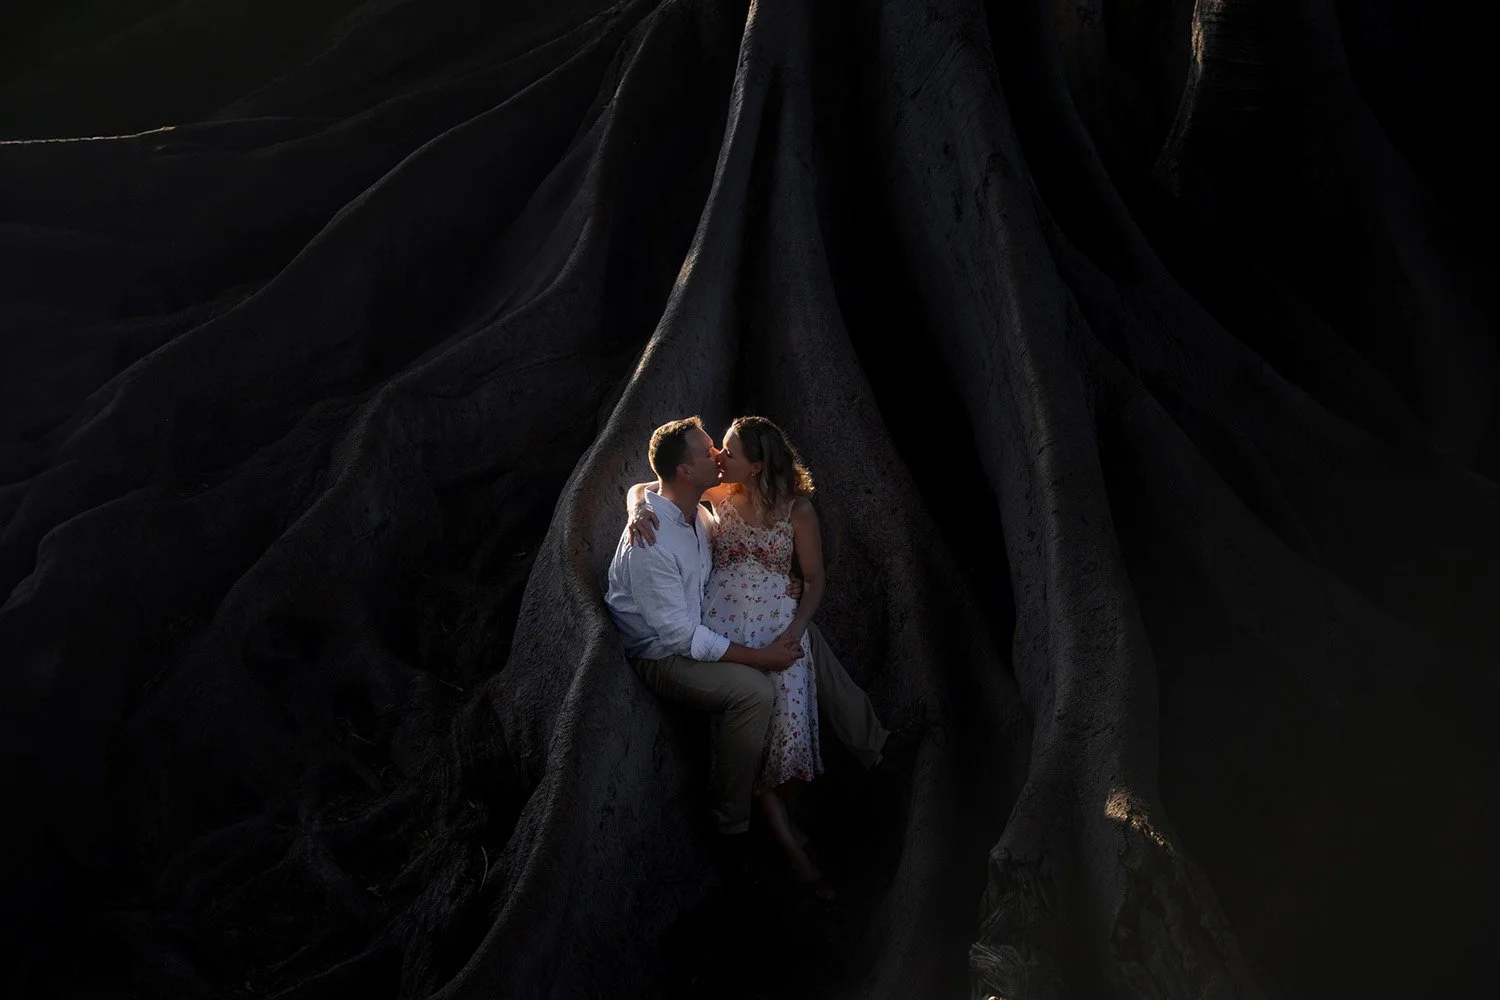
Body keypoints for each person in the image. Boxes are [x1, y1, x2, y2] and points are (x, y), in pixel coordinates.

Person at [614, 416, 910, 896]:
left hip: (758, 615)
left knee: (805, 646)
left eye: (724, 450)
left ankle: (872, 750)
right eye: (710, 451)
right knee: (758, 695)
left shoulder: (712, 511)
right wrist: (634, 507)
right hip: (686, 642)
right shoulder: (681, 519)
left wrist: (789, 615)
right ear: (688, 471)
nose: (717, 456)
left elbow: (811, 578)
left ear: (756, 466)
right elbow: (680, 634)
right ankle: (752, 834)